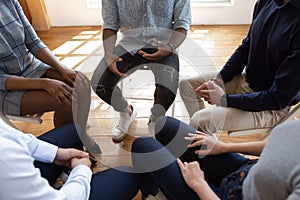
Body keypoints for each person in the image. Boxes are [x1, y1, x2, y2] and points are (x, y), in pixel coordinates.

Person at [179, 0, 300, 134]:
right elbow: (247, 45)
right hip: (246, 81)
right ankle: (206, 142)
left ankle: (206, 143)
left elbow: (277, 98)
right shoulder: (265, 2)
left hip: (270, 108)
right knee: (187, 86)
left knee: (199, 120)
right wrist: (218, 80)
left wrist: (224, 99)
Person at [0, 0, 100, 153]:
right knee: (66, 100)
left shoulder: (9, 2)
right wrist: (44, 83)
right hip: (5, 90)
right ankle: (70, 151)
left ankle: (79, 134)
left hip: (30, 66)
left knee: (81, 82)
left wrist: (61, 68)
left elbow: (33, 42)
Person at [91, 0, 191, 142]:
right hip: (129, 44)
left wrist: (169, 47)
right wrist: (108, 54)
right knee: (99, 83)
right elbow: (110, 24)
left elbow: (182, 23)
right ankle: (126, 112)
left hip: (164, 44)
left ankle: (156, 119)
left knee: (169, 87)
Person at [132, 116, 300, 200]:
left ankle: (152, 194)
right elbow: (278, 144)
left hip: (220, 196)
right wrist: (224, 146)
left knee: (143, 146)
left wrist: (199, 184)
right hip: (242, 169)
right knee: (165, 126)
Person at [0, 118, 139, 200]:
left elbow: (10, 135)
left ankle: (65, 178)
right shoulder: (5, 159)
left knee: (73, 131)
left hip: (17, 180)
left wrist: (56, 154)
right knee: (130, 176)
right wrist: (81, 171)